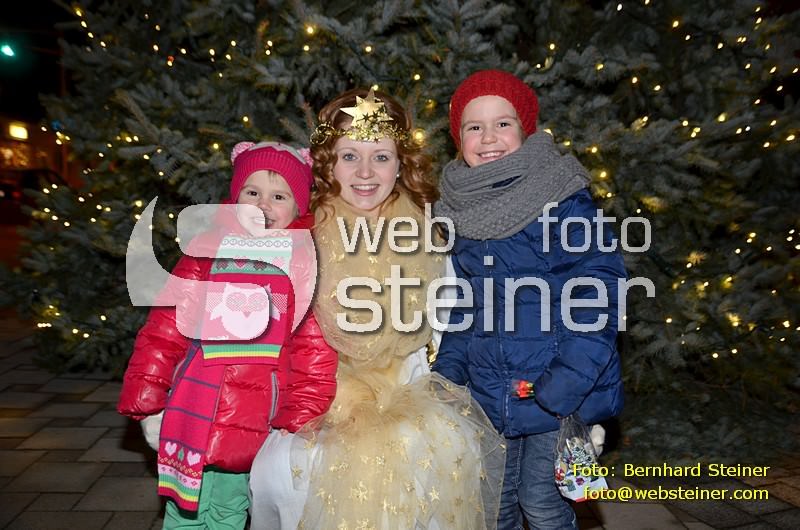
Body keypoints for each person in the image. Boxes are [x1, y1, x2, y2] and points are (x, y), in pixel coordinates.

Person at [249, 88, 506, 530]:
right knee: (292, 472)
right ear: (328, 162)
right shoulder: (300, 231)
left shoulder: (426, 231)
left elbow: (448, 328)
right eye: (350, 156)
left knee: (431, 455)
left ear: (401, 163)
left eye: (381, 157)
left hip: (409, 387)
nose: (365, 173)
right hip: (313, 391)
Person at [432, 69, 626, 529]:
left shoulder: (561, 197)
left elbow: (597, 290)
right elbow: (467, 305)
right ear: (458, 139)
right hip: (490, 393)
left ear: (526, 129)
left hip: (554, 391)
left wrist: (565, 384)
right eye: (474, 127)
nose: (488, 137)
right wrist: (448, 376)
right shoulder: (461, 210)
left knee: (541, 503)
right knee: (494, 505)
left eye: (503, 123)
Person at [117, 141, 337, 529]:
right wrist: (148, 396)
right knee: (183, 507)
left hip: (257, 413)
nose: (263, 205)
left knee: (229, 507)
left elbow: (313, 348)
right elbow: (165, 328)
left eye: (279, 196)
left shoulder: (302, 263)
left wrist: (301, 414)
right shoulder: (205, 252)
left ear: (298, 207)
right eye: (252, 193)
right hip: (194, 405)